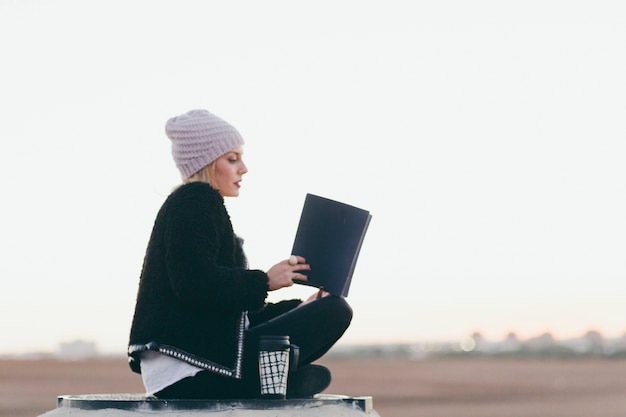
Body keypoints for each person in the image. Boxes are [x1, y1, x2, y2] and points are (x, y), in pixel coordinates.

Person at [128, 109, 353, 400]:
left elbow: (234, 316)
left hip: (197, 361)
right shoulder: (196, 199)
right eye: (232, 159)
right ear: (207, 163)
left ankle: (270, 381)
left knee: (323, 309)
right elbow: (194, 283)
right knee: (335, 311)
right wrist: (265, 281)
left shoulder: (192, 205)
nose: (243, 168)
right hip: (192, 370)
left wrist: (299, 308)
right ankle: (269, 381)